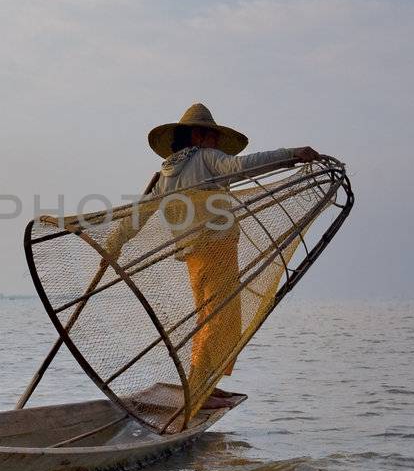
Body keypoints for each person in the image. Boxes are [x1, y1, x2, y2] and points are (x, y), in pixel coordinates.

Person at [106, 103, 323, 393]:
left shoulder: (167, 173)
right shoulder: (206, 158)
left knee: (208, 316)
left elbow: (140, 214)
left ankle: (202, 384)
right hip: (216, 247)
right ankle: (198, 389)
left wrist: (115, 243)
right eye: (213, 136)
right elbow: (244, 166)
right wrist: (291, 155)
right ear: (199, 135)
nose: (218, 143)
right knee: (221, 319)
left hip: (195, 253)